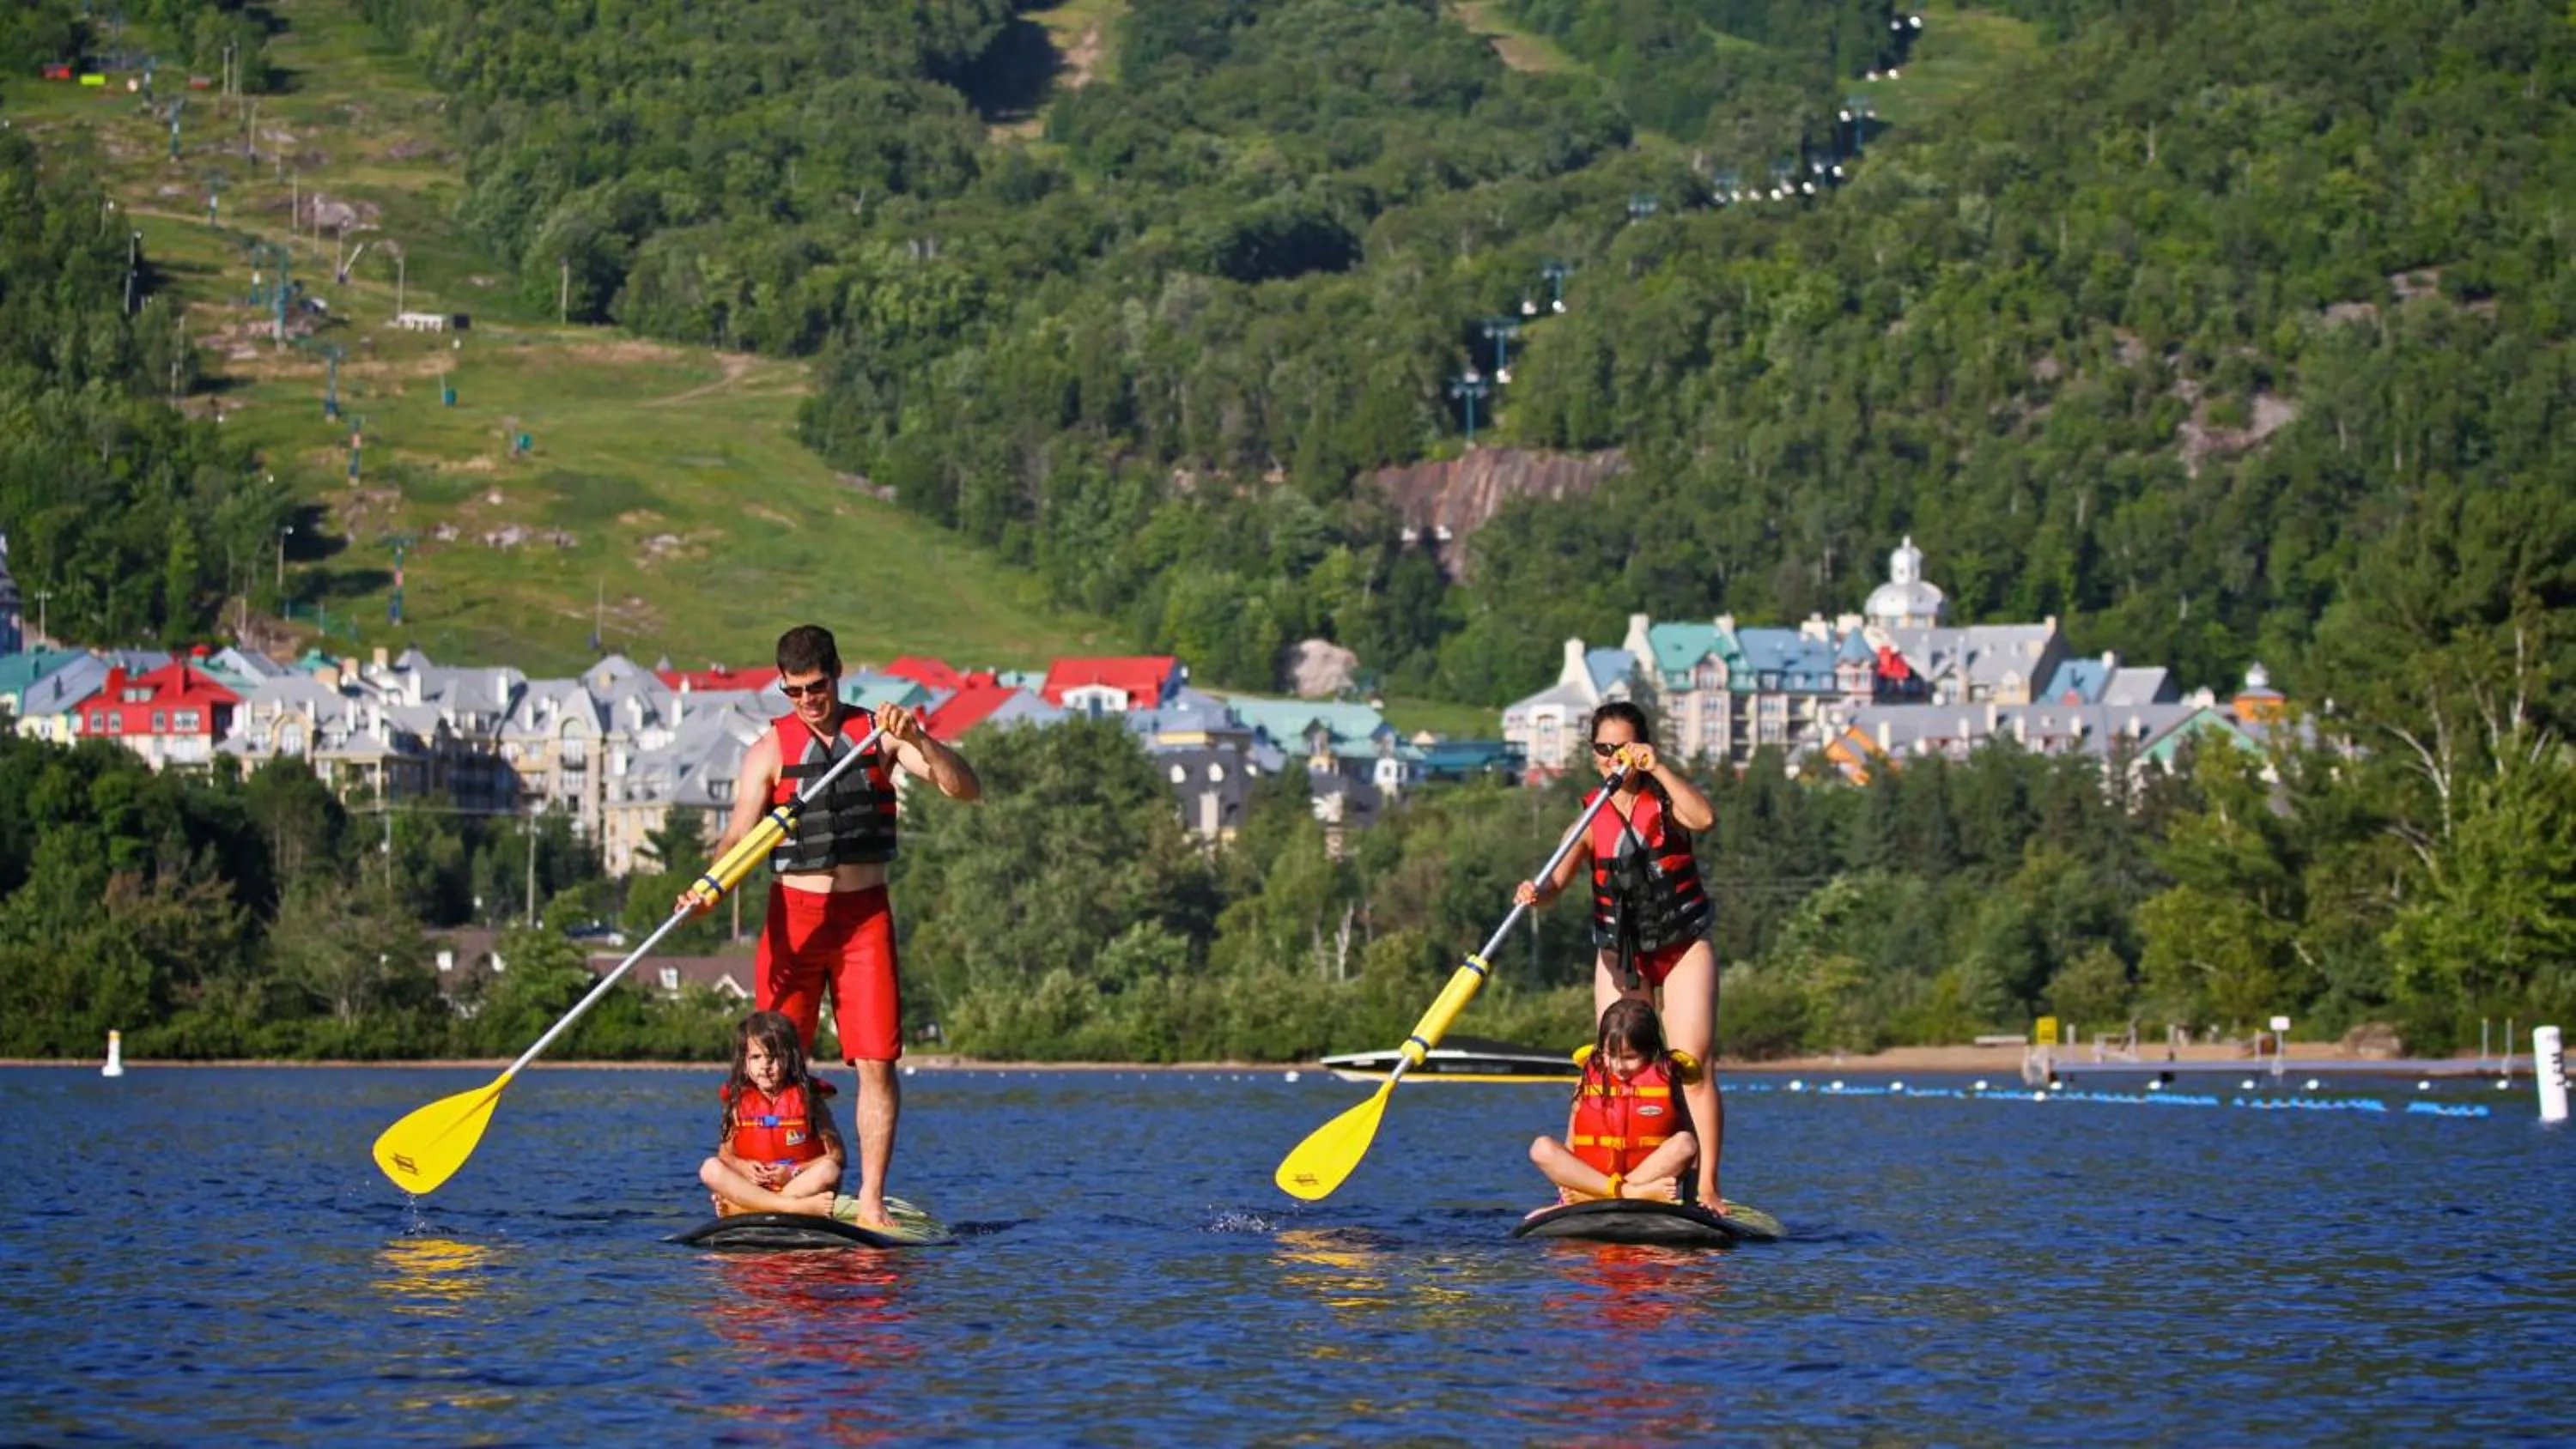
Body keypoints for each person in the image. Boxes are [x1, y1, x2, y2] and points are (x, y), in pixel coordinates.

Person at [679, 624, 981, 1229]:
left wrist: (918, 736)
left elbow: (964, 788)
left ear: (837, 672)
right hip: (794, 917)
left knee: (876, 1061)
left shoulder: (880, 734)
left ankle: (869, 1199)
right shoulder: (767, 749)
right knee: (768, 1062)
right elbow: (738, 835)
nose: (807, 702)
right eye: (793, 692)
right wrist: (708, 886)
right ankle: (755, 1184)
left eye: (816, 688)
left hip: (863, 918)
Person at [1513, 700, 1728, 1207]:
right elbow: (1556, 885)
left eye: (1624, 749)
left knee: (1690, 1066)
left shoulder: (1666, 801)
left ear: (1642, 748)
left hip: (1681, 948)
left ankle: (1709, 1187)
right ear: (1594, 755)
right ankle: (1587, 1186)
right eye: (1604, 750)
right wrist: (1534, 893)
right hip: (1619, 956)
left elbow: (1705, 818)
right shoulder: (1589, 819)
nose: (1614, 759)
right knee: (1609, 1065)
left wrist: (1659, 768)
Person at [1528, 998, 1698, 1206]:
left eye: (1629, 1057)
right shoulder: (1589, 1077)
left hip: (1646, 1176)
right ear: (1601, 1049)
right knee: (1541, 1148)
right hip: (1596, 1180)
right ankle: (1629, 1193)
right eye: (1610, 1055)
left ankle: (1600, 1195)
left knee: (1686, 1142)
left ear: (1650, 1050)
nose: (1619, 1066)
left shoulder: (1667, 1078)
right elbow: (1572, 1141)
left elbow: (1691, 1142)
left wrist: (1694, 1198)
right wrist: (1564, 1197)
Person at [700, 1009, 850, 1219]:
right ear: (744, 1062)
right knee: (710, 1169)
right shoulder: (738, 1102)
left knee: (829, 1171)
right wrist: (744, 1168)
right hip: (757, 1189)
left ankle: (747, 1209)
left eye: (773, 1057)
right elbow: (725, 1155)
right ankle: (790, 1207)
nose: (764, 1066)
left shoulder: (811, 1100)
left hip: (798, 1186)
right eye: (755, 1057)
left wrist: (793, 1172)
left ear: (790, 1059)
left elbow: (838, 1157)